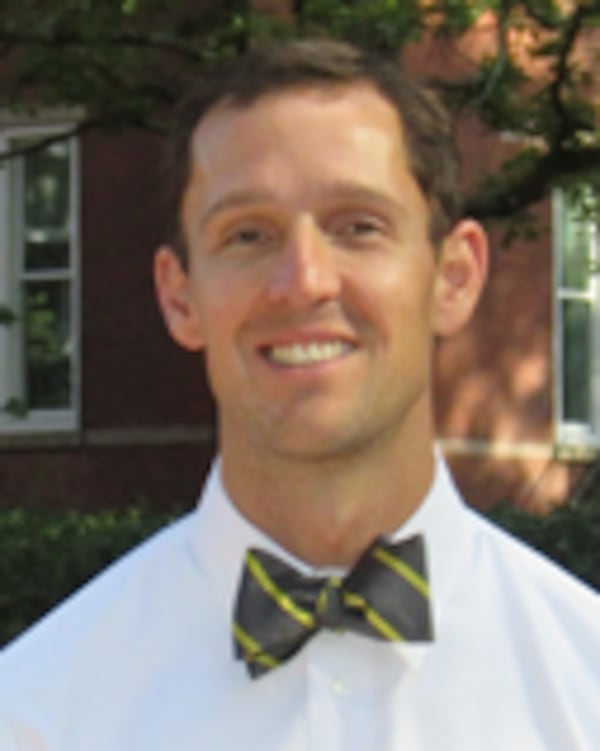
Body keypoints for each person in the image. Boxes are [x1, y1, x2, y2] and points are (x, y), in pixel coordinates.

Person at [1, 38, 598, 751]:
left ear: (454, 276)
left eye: (359, 227)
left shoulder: (584, 685)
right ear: (179, 296)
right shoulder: (34, 714)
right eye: (248, 235)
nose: (305, 280)